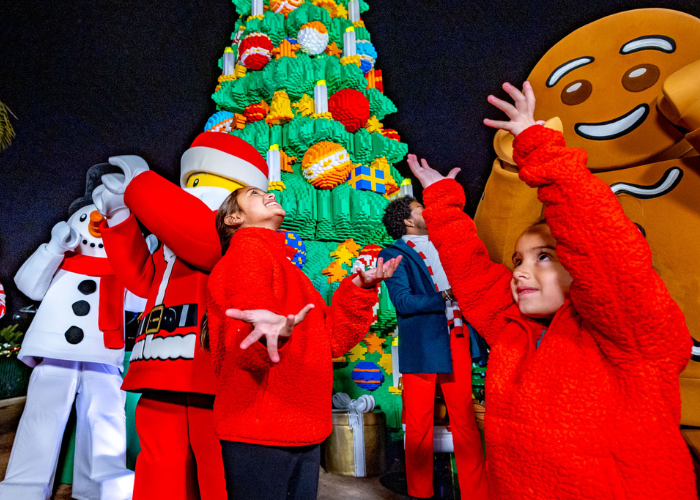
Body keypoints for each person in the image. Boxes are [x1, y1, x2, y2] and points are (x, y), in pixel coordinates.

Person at [406, 81, 696, 500]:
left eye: (544, 257)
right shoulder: (512, 329)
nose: (520, 272)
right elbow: (470, 272)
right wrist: (441, 203)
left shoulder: (631, 336)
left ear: (580, 266)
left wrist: (539, 148)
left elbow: (601, 243)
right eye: (519, 261)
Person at [206, 185, 402, 500]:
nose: (268, 194)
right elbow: (246, 339)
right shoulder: (247, 252)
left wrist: (360, 291)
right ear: (233, 218)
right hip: (264, 429)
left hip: (296, 425)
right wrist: (265, 336)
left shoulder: (285, 266)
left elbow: (332, 341)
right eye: (254, 194)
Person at [378, 197, 488, 499]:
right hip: (424, 344)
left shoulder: (444, 246)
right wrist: (446, 297)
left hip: (457, 336)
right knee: (419, 424)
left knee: (464, 420)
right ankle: (420, 493)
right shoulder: (392, 254)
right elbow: (402, 302)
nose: (428, 213)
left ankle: (477, 493)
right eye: (420, 210)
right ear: (408, 221)